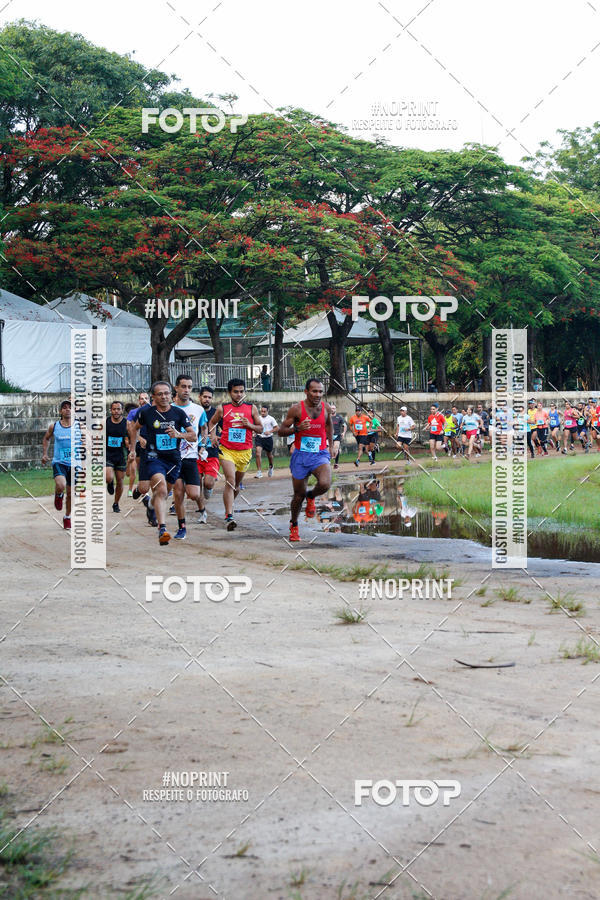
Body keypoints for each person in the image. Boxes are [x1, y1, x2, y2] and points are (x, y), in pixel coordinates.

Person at [128, 381, 196, 545]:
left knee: (162, 493)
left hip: (173, 459)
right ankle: (162, 529)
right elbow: (133, 428)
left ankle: (151, 505)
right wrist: (133, 447)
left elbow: (193, 436)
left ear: (171, 394)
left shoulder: (178, 413)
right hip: (153, 457)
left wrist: (178, 435)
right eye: (160, 394)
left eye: (166, 393)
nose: (164, 396)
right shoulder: (147, 413)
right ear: (154, 397)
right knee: (161, 488)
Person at [278, 378, 334, 542]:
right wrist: (297, 428)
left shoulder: (326, 408)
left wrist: (331, 446)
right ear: (306, 391)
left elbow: (329, 425)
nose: (318, 394)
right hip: (301, 455)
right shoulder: (296, 409)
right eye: (314, 391)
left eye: (320, 391)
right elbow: (281, 431)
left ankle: (312, 496)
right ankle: (294, 525)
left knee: (325, 483)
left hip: (320, 453)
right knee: (298, 495)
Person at [207, 379, 263, 531]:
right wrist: (212, 436)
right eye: (235, 392)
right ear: (229, 393)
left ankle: (229, 504)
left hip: (244, 452)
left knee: (236, 486)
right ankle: (229, 516)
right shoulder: (222, 409)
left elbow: (260, 429)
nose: (239, 394)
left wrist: (249, 425)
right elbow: (211, 423)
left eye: (241, 391)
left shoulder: (252, 409)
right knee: (230, 481)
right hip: (227, 450)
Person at [171, 375, 207, 540]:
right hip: (173, 457)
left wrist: (203, 445)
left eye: (189, 387)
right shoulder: (168, 409)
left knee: (193, 494)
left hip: (191, 456)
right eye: (183, 386)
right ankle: (182, 527)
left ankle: (202, 506)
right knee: (178, 492)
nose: (186, 390)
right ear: (176, 388)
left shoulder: (198, 409)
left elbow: (204, 427)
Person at [41, 399, 77, 530]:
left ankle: (67, 517)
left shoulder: (79, 426)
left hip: (75, 464)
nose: (67, 409)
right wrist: (45, 454)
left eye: (70, 407)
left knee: (71, 493)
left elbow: (88, 438)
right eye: (65, 407)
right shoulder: (55, 426)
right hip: (59, 462)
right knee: (61, 484)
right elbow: (46, 438)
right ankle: (58, 494)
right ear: (60, 411)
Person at [196, 386, 220, 524]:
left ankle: (209, 487)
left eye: (209, 397)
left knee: (208, 483)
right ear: (200, 397)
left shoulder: (216, 413)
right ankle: (202, 512)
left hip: (211, 453)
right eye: (204, 396)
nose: (207, 399)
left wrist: (218, 436)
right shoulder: (194, 411)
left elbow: (225, 427)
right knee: (196, 484)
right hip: (195, 452)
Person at [105, 400, 129, 512]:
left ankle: (116, 503)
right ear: (111, 410)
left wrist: (129, 446)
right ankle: (109, 483)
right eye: (114, 409)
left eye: (118, 409)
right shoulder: (105, 422)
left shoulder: (127, 423)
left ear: (122, 410)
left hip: (121, 455)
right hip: (108, 454)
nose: (116, 411)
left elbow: (131, 437)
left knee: (120, 481)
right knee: (109, 476)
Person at [126, 392, 149, 499]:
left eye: (146, 398)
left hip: (150, 444)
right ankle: (135, 488)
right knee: (137, 468)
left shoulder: (153, 410)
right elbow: (130, 428)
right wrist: (137, 440)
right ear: (138, 401)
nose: (144, 400)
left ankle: (143, 489)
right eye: (141, 398)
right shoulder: (134, 412)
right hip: (137, 444)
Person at [254, 404, 278, 478]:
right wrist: (254, 433)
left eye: (264, 411)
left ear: (267, 411)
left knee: (269, 455)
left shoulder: (271, 419)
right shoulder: (258, 418)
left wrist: (270, 431)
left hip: (268, 439)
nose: (263, 413)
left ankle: (271, 467)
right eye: (262, 411)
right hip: (259, 437)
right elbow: (255, 427)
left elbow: (277, 428)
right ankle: (259, 472)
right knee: (258, 453)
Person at [329, 403, 347, 469]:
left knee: (336, 448)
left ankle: (336, 463)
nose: (332, 409)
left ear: (335, 409)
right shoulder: (327, 417)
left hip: (337, 435)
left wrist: (343, 433)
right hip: (328, 435)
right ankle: (328, 461)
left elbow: (344, 425)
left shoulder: (339, 417)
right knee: (328, 449)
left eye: (333, 408)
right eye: (331, 408)